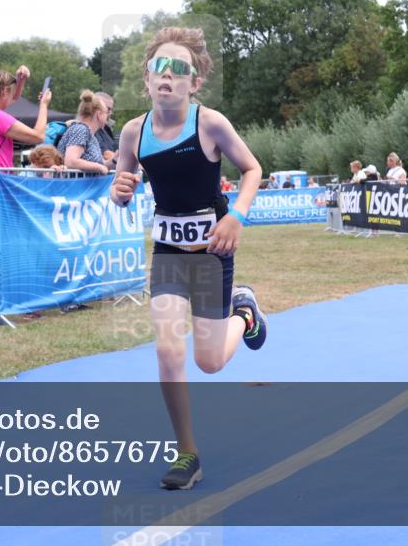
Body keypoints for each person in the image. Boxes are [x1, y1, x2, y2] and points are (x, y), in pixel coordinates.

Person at [110, 26, 266, 491]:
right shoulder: (133, 132)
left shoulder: (210, 124)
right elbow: (122, 187)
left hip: (212, 251)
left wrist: (236, 216)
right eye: (159, 67)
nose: (167, 75)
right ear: (146, 78)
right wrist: (119, 191)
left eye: (179, 69)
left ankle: (244, 313)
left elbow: (252, 168)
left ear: (194, 83)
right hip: (168, 253)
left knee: (210, 362)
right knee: (167, 349)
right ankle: (187, 453)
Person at [0, 66, 51, 169]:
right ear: (4, 91)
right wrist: (44, 105)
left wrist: (20, 80)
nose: (13, 97)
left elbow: (13, 97)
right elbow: (39, 136)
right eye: (11, 93)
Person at [57, 90, 114, 174]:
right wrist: (99, 167)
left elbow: (103, 164)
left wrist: (117, 157)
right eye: (106, 112)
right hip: (75, 182)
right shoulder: (80, 130)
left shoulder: (89, 133)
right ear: (99, 114)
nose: (108, 116)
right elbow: (70, 161)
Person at [93, 91, 118, 163]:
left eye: (111, 110)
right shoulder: (88, 130)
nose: (110, 113)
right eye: (108, 109)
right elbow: (106, 154)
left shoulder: (106, 129)